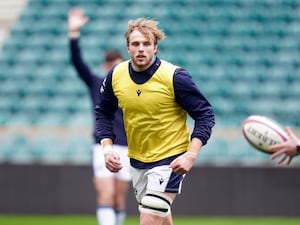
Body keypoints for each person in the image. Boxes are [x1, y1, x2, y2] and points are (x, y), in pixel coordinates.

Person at [95, 17, 215, 225]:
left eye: (146, 44)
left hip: (170, 160)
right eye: (135, 44)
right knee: (161, 218)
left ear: (155, 47)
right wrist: (107, 149)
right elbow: (103, 113)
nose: (141, 49)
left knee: (148, 220)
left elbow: (205, 115)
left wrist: (191, 154)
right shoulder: (116, 75)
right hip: (138, 160)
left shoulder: (175, 77)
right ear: (128, 48)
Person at [68, 8, 131, 225]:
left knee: (118, 199)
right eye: (112, 66)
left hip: (127, 146)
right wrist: (73, 33)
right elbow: (78, 63)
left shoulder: (133, 87)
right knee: (105, 195)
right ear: (105, 67)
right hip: (102, 146)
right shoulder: (97, 83)